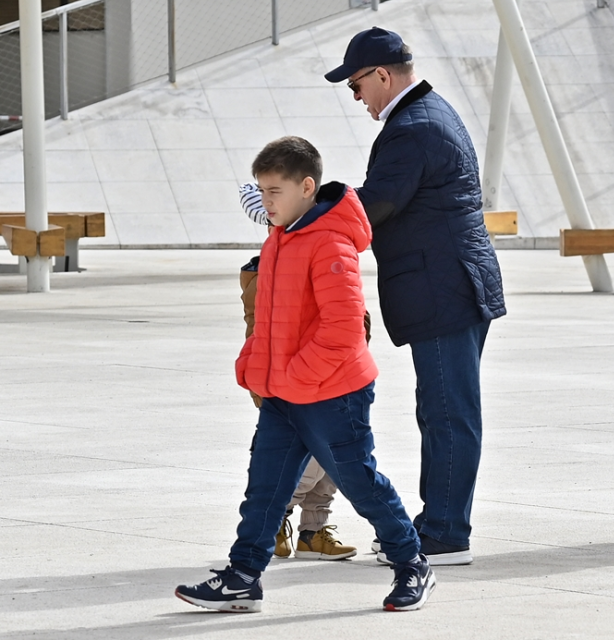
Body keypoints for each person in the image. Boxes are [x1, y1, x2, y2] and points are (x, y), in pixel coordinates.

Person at [175, 136, 435, 613]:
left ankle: (412, 562)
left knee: (359, 482)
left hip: (333, 394)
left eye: (274, 190)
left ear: (306, 186)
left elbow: (343, 329)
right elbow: (270, 317)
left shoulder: (331, 243)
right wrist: (253, 363)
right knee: (265, 486)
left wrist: (294, 374)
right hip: (284, 392)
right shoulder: (281, 237)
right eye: (261, 189)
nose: (265, 200)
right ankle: (243, 576)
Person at [324, 27, 506, 566]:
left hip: (443, 288)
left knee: (448, 413)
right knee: (445, 411)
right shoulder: (426, 114)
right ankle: (439, 522)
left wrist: (300, 208)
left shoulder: (414, 128)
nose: (357, 98)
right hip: (451, 284)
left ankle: (446, 533)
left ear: (382, 75)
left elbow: (375, 203)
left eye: (356, 86)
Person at [238, 182, 357, 562]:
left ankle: (314, 530)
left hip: (331, 376)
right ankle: (276, 520)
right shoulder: (271, 268)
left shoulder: (317, 250)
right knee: (303, 458)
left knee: (332, 461)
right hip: (290, 381)